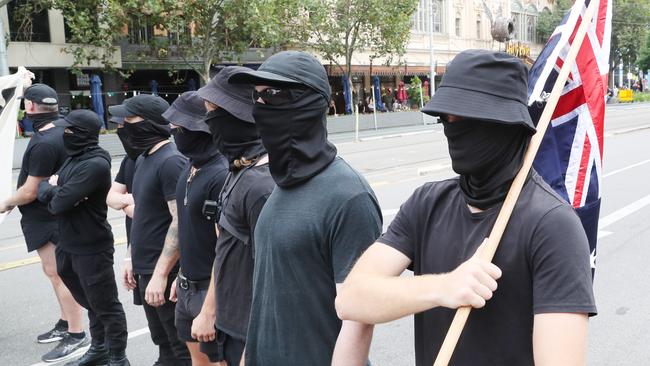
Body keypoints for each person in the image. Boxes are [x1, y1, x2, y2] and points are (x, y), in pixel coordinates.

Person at [335, 50, 597, 366]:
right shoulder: (426, 204)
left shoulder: (552, 225)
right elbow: (351, 299)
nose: (452, 128)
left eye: (466, 118)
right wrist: (443, 287)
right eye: (447, 118)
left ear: (507, 124)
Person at [229, 51, 383, 365]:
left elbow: (359, 317)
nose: (260, 108)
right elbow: (267, 292)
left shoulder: (349, 196)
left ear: (309, 103)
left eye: (271, 95)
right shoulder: (280, 187)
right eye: (256, 97)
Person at [193, 66, 275, 366]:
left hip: (251, 335)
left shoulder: (261, 184)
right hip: (231, 323)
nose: (208, 120)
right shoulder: (241, 169)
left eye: (214, 112)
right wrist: (210, 310)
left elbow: (272, 281)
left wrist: (249, 351)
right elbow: (225, 250)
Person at [0, 83, 87, 363]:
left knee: (59, 274)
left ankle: (76, 334)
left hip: (45, 216)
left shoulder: (43, 142)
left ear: (32, 107)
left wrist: (7, 202)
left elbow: (30, 190)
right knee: (59, 273)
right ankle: (65, 323)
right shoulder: (63, 131)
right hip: (58, 213)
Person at [37, 109, 130, 366]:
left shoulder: (95, 164)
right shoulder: (73, 158)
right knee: (90, 303)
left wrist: (54, 189)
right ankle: (99, 349)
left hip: (92, 247)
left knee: (106, 305)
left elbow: (57, 204)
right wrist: (53, 188)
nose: (63, 133)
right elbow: (43, 186)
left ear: (82, 134)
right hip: (67, 244)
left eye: (68, 130)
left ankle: (117, 358)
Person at [109, 95, 191, 366]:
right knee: (162, 342)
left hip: (164, 273)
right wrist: (132, 257)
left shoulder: (171, 161)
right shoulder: (143, 159)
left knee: (179, 347)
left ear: (151, 124)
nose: (123, 126)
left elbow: (179, 222)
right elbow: (144, 216)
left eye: (130, 120)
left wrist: (160, 275)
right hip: (146, 268)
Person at [158, 91, 229, 366]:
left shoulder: (220, 173)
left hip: (212, 293)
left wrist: (209, 309)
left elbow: (224, 249)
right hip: (188, 287)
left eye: (180, 127)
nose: (174, 131)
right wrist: (182, 274)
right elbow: (188, 226)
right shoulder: (190, 165)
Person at [105, 116, 140, 303]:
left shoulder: (165, 160)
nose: (119, 129)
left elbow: (149, 213)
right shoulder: (130, 159)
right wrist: (134, 199)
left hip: (157, 255)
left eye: (123, 125)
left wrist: (127, 203)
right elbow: (111, 198)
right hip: (135, 245)